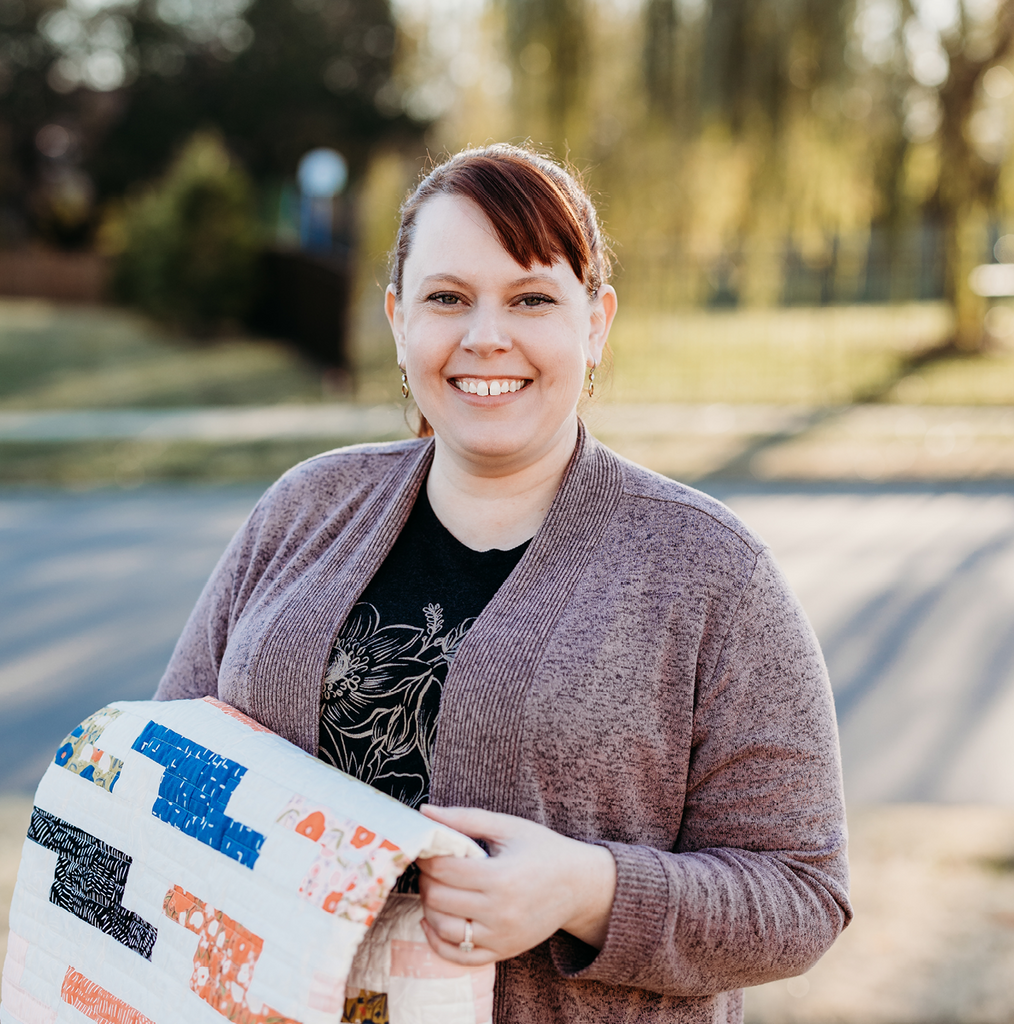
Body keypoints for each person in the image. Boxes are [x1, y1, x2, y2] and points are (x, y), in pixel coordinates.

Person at [155, 143, 851, 1023]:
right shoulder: (303, 510)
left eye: (531, 299)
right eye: (447, 298)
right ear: (398, 318)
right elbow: (168, 760)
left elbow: (801, 894)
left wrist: (586, 889)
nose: (487, 335)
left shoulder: (709, 571)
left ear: (595, 323)